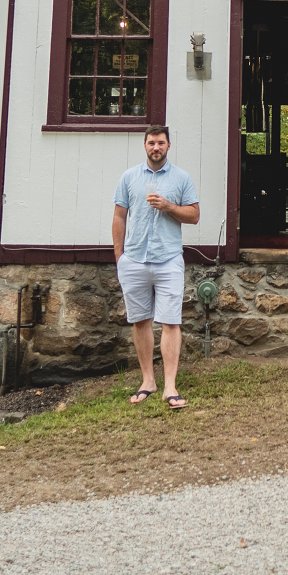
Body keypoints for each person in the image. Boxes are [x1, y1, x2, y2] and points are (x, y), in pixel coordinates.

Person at [112, 124, 199, 410]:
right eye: (151, 143)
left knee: (171, 322)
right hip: (134, 259)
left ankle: (170, 387)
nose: (156, 148)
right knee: (140, 321)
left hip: (168, 259)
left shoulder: (181, 178)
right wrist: (119, 257)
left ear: (168, 145)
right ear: (145, 145)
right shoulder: (129, 177)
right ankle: (148, 380)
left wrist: (168, 206)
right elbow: (119, 217)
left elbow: (194, 215)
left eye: (161, 143)